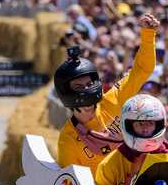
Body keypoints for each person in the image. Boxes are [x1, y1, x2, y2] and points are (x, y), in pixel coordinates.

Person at [54, 13, 159, 171]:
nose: (87, 89)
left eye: (89, 83)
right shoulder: (68, 140)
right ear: (66, 93)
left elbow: (142, 70)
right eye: (79, 86)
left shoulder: (114, 98)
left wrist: (148, 34)